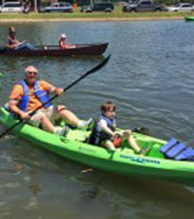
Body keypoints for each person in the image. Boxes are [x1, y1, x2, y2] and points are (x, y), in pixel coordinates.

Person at [8, 65, 94, 136]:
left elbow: (52, 89)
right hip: (29, 114)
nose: (32, 75)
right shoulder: (18, 88)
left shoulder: (41, 83)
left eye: (34, 73)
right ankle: (56, 131)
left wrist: (57, 90)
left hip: (44, 110)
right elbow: (11, 105)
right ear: (25, 74)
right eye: (30, 73)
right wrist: (21, 113)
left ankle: (80, 124)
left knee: (61, 108)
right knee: (41, 115)